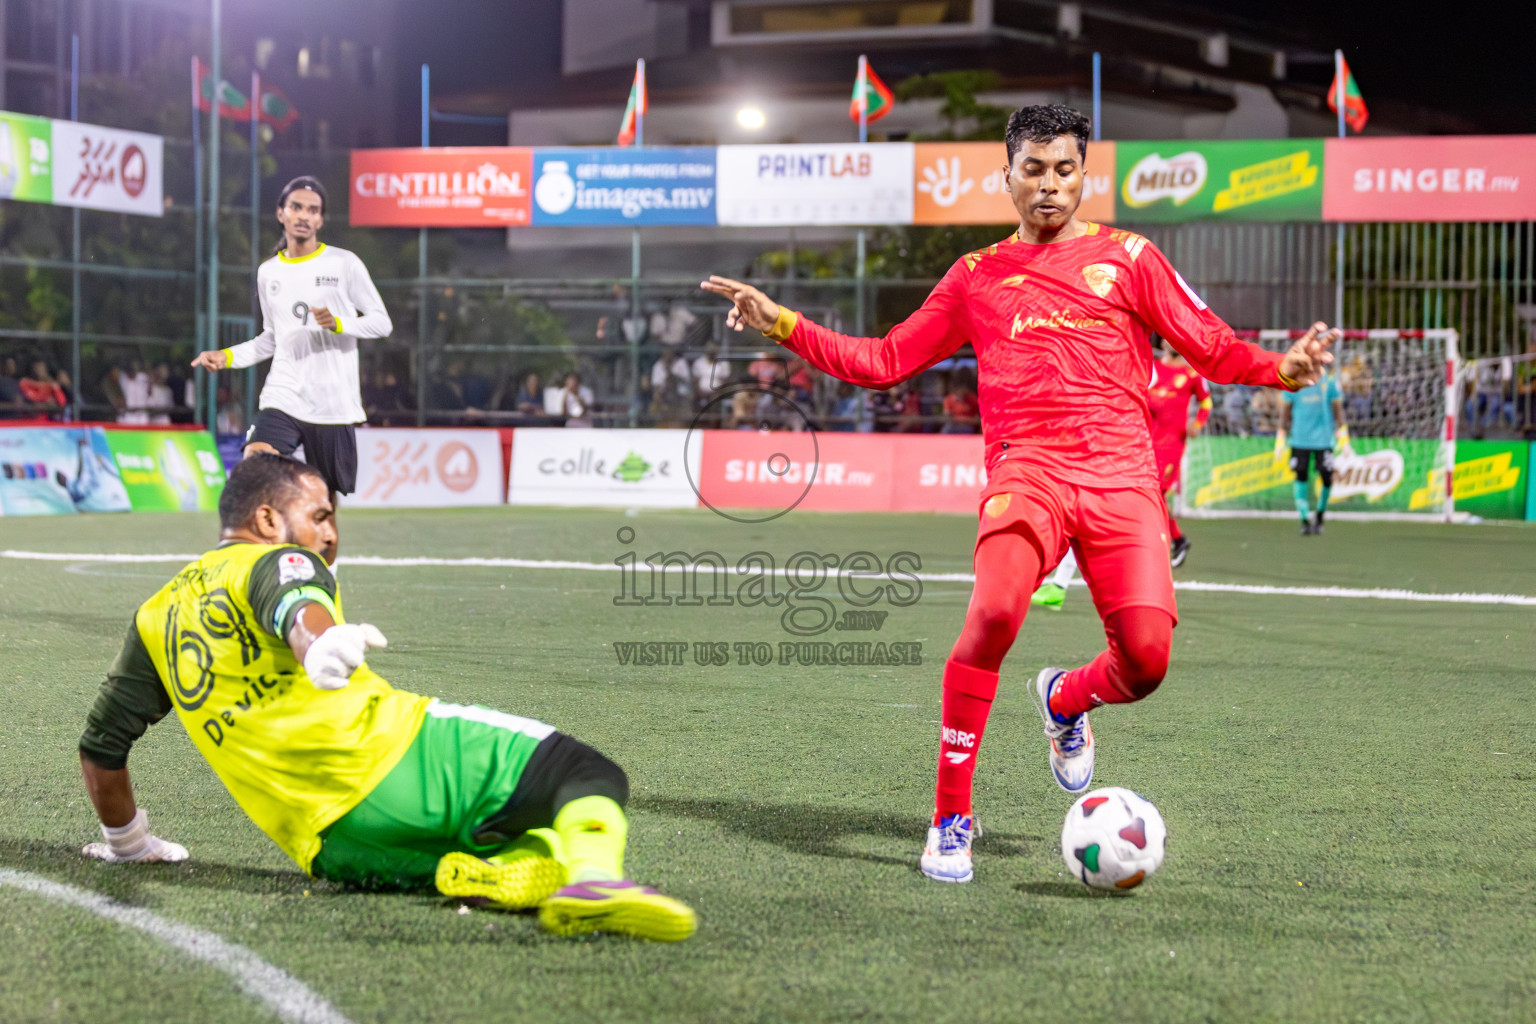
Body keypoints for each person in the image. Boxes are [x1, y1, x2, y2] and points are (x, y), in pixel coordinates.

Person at [702, 104, 1336, 885]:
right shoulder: (974, 277)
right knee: (995, 612)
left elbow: (1211, 345)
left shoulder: (1131, 256)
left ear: (1083, 175)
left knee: (1145, 662)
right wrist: (784, 324)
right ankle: (950, 818)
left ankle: (1065, 699)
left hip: (1121, 477)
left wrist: (1283, 368)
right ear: (1006, 177)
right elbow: (886, 359)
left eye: (1064, 169)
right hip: (1026, 471)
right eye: (1032, 170)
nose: (1049, 185)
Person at [76, 454, 695, 941]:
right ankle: (595, 884)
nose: (330, 534)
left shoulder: (155, 616)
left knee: (531, 848)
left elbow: (100, 749)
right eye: (320, 515)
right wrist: (317, 644)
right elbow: (293, 601)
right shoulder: (279, 561)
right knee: (582, 772)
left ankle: (493, 873)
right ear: (268, 520)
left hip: (330, 849)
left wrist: (130, 843)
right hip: (401, 763)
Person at [190, 176, 392, 547]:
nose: (303, 215)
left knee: (323, 510)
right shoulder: (269, 272)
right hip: (284, 394)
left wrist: (341, 324)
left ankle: (324, 580)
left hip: (333, 403)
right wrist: (228, 356)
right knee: (254, 463)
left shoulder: (344, 264)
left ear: (320, 220)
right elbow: (272, 338)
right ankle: (254, 556)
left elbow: (382, 322)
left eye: (312, 210)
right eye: (296, 207)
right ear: (281, 213)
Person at [1148, 343, 1211, 566]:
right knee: (1148, 495)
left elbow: (1206, 401)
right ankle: (1175, 540)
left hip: (1172, 444)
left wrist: (1198, 423)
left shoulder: (1191, 374)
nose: (1171, 342)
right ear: (1163, 342)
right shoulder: (1151, 369)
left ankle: (1172, 540)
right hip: (1144, 443)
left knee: (1156, 494)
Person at [1276, 368, 1349, 535]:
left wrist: (1344, 437)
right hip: (1300, 439)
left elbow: (1338, 410)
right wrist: (1280, 438)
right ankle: (1304, 519)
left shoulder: (1329, 381)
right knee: (1300, 474)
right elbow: (1285, 412)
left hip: (1324, 440)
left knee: (1326, 475)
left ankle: (1320, 515)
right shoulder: (1293, 379)